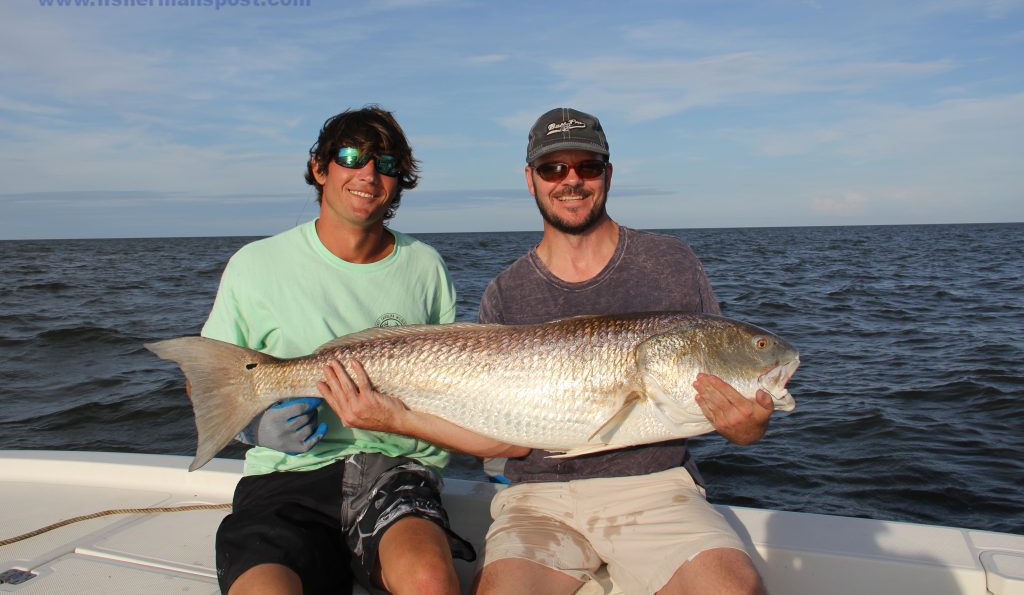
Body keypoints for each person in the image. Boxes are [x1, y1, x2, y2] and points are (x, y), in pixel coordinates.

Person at [319, 108, 774, 595]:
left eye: (588, 168)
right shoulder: (505, 291)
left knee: (733, 588)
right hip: (537, 498)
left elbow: (733, 412)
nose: (571, 181)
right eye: (554, 169)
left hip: (655, 485)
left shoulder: (671, 263)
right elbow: (506, 443)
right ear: (530, 178)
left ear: (608, 175)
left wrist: (749, 426)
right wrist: (394, 417)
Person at [201, 105, 473, 595]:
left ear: (399, 183)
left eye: (386, 165)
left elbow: (452, 384)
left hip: (397, 470)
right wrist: (249, 427)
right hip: (286, 477)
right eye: (352, 157)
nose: (368, 174)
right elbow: (208, 377)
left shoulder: (426, 265)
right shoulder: (255, 265)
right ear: (320, 169)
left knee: (430, 581)